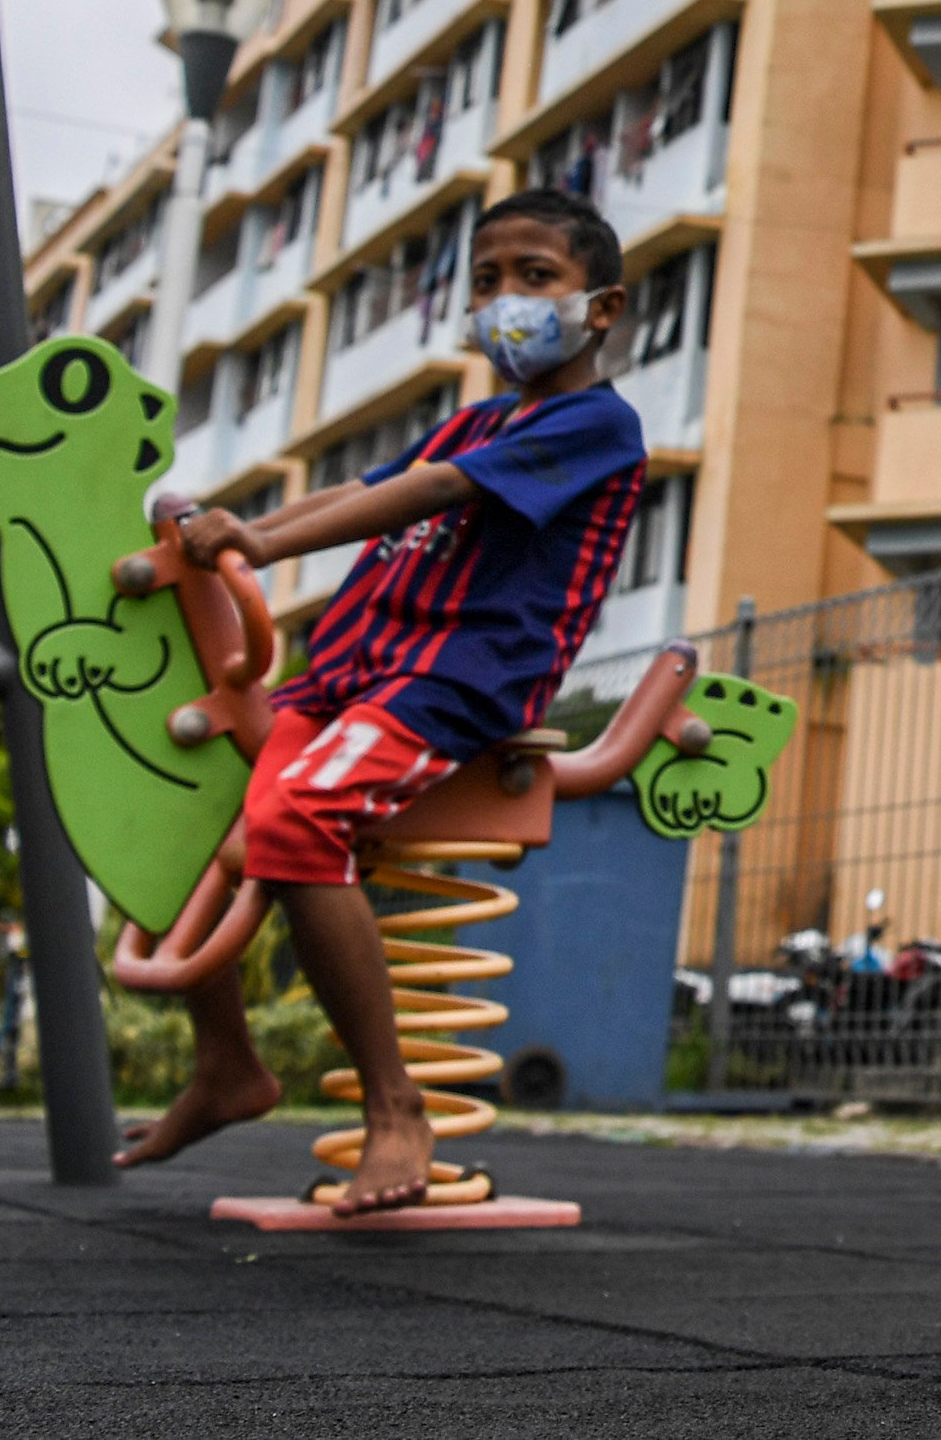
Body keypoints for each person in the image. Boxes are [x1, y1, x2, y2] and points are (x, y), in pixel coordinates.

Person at [114, 188, 647, 1214]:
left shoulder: (595, 424)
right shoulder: (479, 418)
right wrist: (241, 524)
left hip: (455, 677)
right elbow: (360, 494)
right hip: (348, 668)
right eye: (487, 281)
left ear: (603, 307)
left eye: (536, 277)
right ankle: (228, 1069)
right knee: (198, 836)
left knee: (298, 818)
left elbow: (439, 493)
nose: (506, 300)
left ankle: (396, 1109)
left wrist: (262, 546)